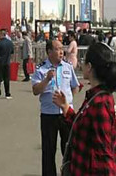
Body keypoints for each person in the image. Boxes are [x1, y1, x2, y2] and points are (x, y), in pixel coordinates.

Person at [52, 42, 116, 176]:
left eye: (83, 61)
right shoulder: (95, 96)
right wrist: (66, 108)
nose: (81, 64)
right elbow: (82, 126)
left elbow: (103, 153)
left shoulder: (100, 103)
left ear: (89, 67)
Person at [32, 38, 79, 176]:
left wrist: (67, 101)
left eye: (62, 49)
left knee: (68, 148)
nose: (61, 52)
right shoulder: (41, 69)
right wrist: (47, 79)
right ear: (49, 52)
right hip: (49, 114)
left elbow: (75, 86)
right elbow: (35, 90)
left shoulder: (67, 66)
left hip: (66, 113)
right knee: (48, 149)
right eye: (57, 49)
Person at [0, 29, 14, 99]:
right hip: (7, 62)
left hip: (0, 62)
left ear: (1, 35)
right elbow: (12, 52)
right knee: (7, 78)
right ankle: (7, 93)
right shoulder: (10, 42)